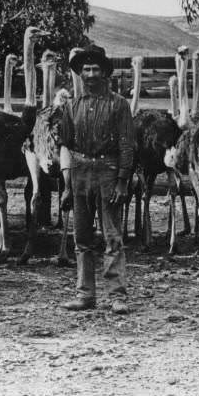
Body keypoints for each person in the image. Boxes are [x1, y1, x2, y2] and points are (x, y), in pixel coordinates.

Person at [57, 43, 135, 314]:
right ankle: (85, 294)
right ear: (80, 73)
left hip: (108, 172)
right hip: (79, 173)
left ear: (104, 73)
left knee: (112, 236)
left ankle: (117, 296)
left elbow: (127, 145)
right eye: (85, 69)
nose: (90, 74)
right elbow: (65, 146)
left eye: (95, 69)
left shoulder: (119, 105)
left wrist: (123, 180)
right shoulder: (71, 107)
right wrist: (66, 186)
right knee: (82, 239)